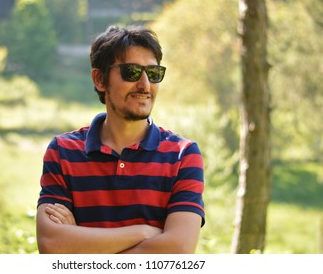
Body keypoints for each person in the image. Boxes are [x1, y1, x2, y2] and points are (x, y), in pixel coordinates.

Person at [36, 25, 205, 254]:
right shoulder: (63, 151)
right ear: (99, 79)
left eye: (154, 74)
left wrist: (80, 247)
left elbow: (179, 249)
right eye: (132, 72)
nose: (145, 84)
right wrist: (144, 232)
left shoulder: (183, 155)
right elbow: (51, 245)